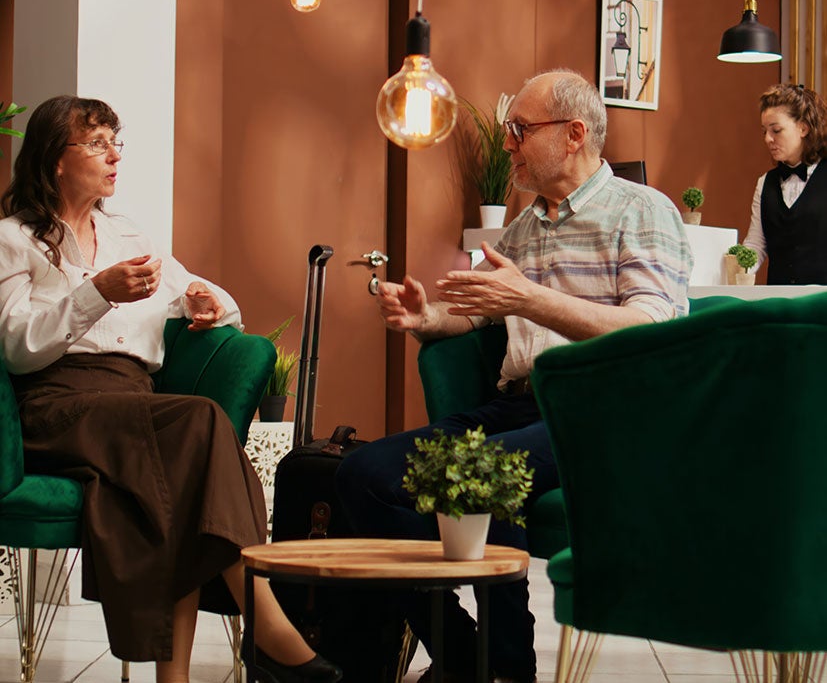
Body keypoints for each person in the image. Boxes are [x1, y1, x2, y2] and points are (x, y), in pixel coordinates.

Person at [335, 70, 693, 683]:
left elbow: (649, 330)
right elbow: (475, 314)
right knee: (363, 476)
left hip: (602, 409)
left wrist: (529, 298)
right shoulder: (526, 227)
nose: (508, 145)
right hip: (519, 407)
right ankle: (472, 658)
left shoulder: (643, 211)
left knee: (485, 474)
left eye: (519, 130)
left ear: (575, 133)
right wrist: (426, 317)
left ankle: (501, 665)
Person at [0, 95, 341, 683]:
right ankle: (270, 628)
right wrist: (97, 292)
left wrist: (210, 304)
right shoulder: (14, 238)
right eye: (97, 143)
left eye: (117, 141)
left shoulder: (127, 233)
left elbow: (202, 296)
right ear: (56, 158)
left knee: (183, 473)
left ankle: (176, 678)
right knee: (199, 424)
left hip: (135, 402)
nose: (115, 155)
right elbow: (15, 346)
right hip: (54, 404)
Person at [741, 83, 827, 285]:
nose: (768, 139)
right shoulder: (765, 183)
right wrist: (732, 266)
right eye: (764, 131)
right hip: (778, 300)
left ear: (803, 128)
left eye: (776, 130)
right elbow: (756, 244)